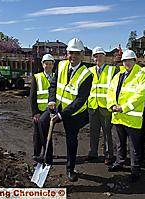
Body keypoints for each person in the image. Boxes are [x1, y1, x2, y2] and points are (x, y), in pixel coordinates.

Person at [39, 38, 93, 182]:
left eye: (76, 53)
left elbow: (80, 100)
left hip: (75, 112)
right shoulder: (61, 65)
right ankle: (47, 158)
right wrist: (51, 100)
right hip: (59, 105)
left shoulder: (87, 74)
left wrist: (61, 115)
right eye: (70, 53)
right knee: (43, 122)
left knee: (71, 140)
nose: (73, 56)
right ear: (67, 53)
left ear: (82, 54)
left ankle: (70, 168)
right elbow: (53, 85)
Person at [107, 50, 145, 183]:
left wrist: (123, 108)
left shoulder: (141, 75)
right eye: (125, 61)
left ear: (135, 61)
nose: (127, 63)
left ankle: (135, 169)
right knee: (120, 144)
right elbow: (110, 92)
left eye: (130, 60)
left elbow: (140, 95)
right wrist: (112, 105)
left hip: (132, 118)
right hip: (118, 117)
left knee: (134, 146)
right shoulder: (118, 75)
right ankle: (120, 162)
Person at [85, 47, 118, 166]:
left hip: (106, 107)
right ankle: (93, 152)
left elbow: (116, 89)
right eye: (95, 56)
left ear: (104, 57)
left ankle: (109, 155)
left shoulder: (112, 70)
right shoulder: (89, 71)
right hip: (93, 106)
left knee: (107, 132)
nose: (97, 58)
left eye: (100, 55)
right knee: (93, 132)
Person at [30, 54, 55, 165]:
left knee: (46, 134)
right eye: (46, 64)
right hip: (39, 111)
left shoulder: (56, 77)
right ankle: (37, 154)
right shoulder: (37, 77)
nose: (48, 66)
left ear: (53, 65)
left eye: (50, 64)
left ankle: (47, 157)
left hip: (50, 111)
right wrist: (35, 113)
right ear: (42, 64)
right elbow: (33, 96)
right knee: (37, 134)